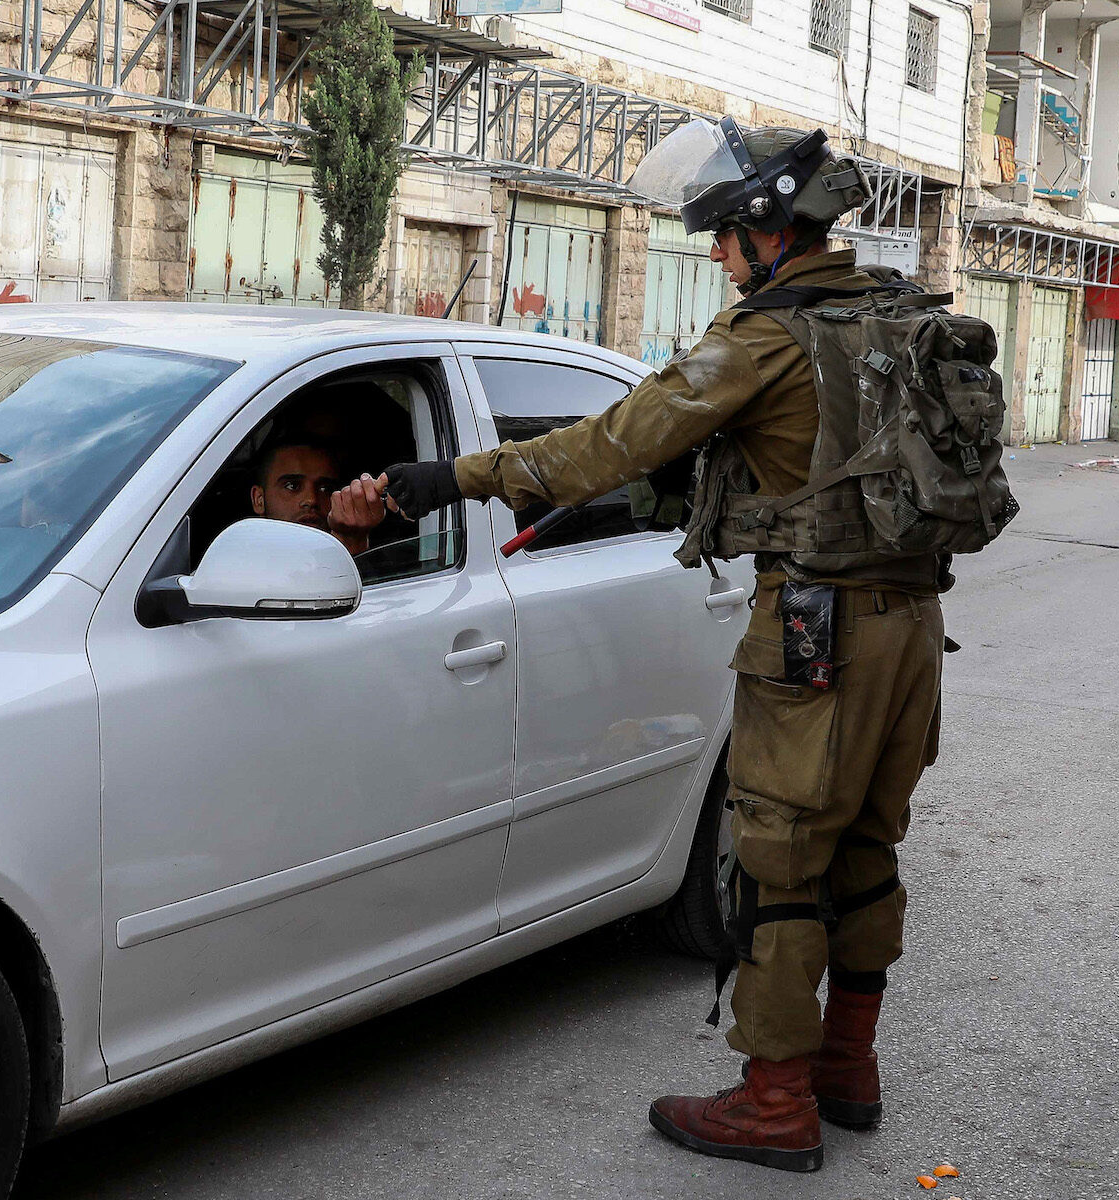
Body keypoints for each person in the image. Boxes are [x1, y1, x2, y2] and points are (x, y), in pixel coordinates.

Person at [380, 120, 988, 1174]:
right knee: (864, 852)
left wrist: (450, 479)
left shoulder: (765, 337)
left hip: (816, 635)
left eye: (721, 237)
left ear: (767, 232)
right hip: (912, 627)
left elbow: (608, 444)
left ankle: (775, 1101)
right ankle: (848, 1067)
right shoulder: (895, 315)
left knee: (779, 864)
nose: (713, 254)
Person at [248, 440, 386, 556]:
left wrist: (353, 543)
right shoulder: (240, 567)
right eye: (292, 486)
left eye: (325, 489)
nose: (311, 500)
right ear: (258, 499)